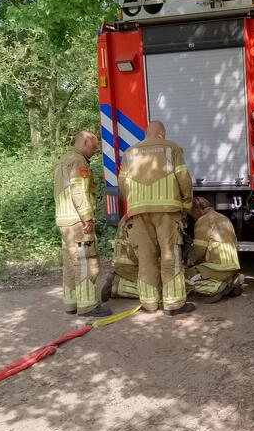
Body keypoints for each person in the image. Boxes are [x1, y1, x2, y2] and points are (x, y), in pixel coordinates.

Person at [119, 120, 195, 315]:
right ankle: (174, 304)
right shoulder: (171, 148)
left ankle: (149, 303)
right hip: (167, 211)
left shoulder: (129, 153)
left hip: (138, 212)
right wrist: (186, 204)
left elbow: (122, 184)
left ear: (146, 133)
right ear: (162, 133)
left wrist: (134, 202)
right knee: (170, 255)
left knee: (145, 257)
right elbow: (183, 178)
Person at [53, 131, 112, 317]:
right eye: (94, 146)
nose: (96, 151)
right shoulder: (78, 162)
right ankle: (88, 306)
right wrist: (87, 217)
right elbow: (78, 191)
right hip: (78, 222)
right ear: (85, 142)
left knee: (71, 264)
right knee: (86, 262)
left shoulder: (63, 160)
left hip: (64, 219)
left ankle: (71, 304)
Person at [185, 197, 244, 303]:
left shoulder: (202, 221)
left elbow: (198, 252)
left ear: (198, 209)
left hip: (217, 267)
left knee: (183, 279)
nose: (192, 217)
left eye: (192, 213)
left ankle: (217, 288)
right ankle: (234, 280)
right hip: (232, 266)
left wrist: (189, 265)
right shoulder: (222, 217)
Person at [101, 215, 140, 301]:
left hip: (125, 264)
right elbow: (134, 253)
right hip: (129, 266)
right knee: (153, 290)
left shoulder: (128, 217)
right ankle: (116, 286)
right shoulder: (134, 222)